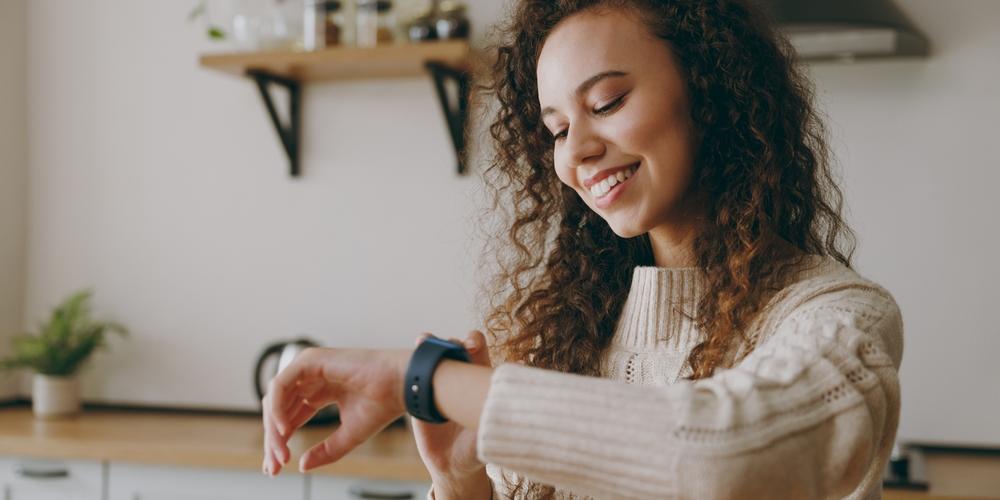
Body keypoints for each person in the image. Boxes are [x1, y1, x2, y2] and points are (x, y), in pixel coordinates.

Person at [260, 0, 904, 498]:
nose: (576, 151)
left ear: (710, 92)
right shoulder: (563, 337)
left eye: (608, 102)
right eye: (558, 129)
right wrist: (465, 487)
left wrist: (420, 379)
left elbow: (719, 457)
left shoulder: (841, 319)